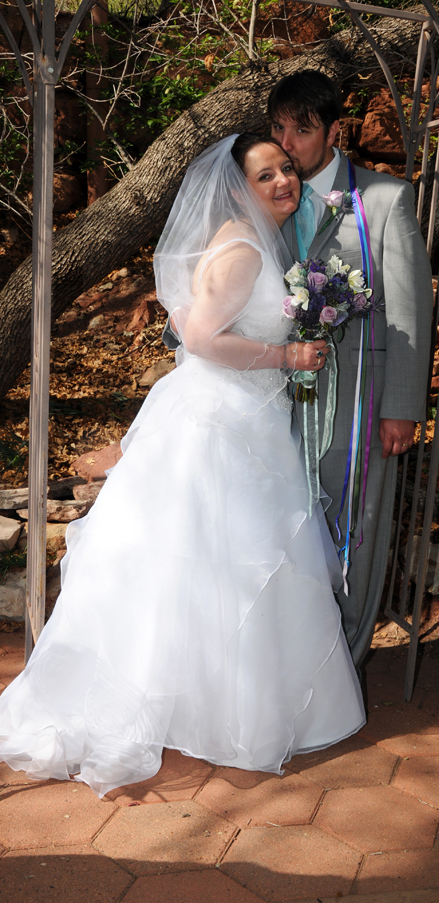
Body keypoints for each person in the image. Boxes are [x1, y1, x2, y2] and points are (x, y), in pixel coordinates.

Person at [0, 134, 365, 799]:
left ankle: (197, 699)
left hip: (227, 412)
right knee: (220, 560)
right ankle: (221, 710)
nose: (284, 180)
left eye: (286, 168)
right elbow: (200, 338)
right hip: (220, 421)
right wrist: (288, 357)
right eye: (266, 175)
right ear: (238, 187)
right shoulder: (245, 250)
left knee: (201, 565)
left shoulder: (242, 239)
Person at [269, 71, 432, 669]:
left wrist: (400, 406)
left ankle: (344, 661)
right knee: (283, 525)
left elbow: (411, 310)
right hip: (274, 398)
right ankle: (288, 660)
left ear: (335, 131)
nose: (288, 143)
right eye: (278, 128)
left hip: (360, 399)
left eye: (303, 129)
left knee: (354, 527)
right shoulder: (263, 195)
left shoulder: (384, 200)